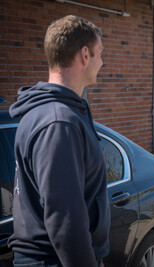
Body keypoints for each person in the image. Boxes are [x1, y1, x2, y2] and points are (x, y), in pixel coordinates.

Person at [8, 15, 110, 267]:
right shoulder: (58, 122)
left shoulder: (54, 112)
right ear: (84, 55)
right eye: (100, 53)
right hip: (54, 261)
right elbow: (65, 218)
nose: (102, 62)